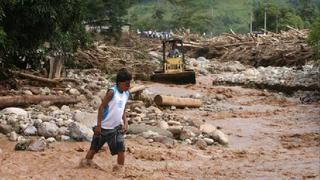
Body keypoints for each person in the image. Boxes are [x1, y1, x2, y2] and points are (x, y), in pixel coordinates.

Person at [81, 68, 132, 171]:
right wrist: (99, 126)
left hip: (117, 127)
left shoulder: (126, 94)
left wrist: (126, 122)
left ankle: (119, 170)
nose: (128, 86)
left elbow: (123, 109)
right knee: (93, 149)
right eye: (126, 84)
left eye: (129, 84)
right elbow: (101, 107)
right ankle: (85, 163)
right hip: (104, 128)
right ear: (119, 83)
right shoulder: (112, 92)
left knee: (121, 148)